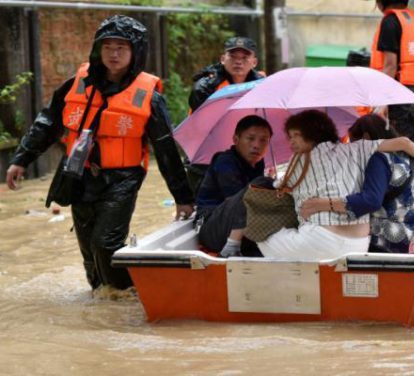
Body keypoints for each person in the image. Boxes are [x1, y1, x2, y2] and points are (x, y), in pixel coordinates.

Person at [5, 15, 194, 290]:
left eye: (121, 48)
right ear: (98, 49)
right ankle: (102, 302)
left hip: (123, 178)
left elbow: (165, 149)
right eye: (108, 47)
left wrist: (183, 197)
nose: (113, 54)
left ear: (135, 52)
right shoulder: (78, 83)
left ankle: (125, 294)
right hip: (79, 174)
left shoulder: (149, 97)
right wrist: (21, 158)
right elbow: (48, 122)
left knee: (104, 243)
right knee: (89, 253)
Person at [257, 110, 414, 261]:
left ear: (310, 133)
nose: (291, 142)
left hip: (320, 241)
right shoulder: (357, 150)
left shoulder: (298, 160)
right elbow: (405, 142)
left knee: (261, 235)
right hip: (360, 244)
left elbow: (280, 186)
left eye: (295, 135)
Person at [300, 114, 414, 254]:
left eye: (353, 141)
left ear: (366, 138)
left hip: (389, 246)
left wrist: (320, 204)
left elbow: (370, 200)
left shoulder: (380, 159)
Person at [186, 36, 264, 194]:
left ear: (254, 62)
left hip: (245, 148)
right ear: (223, 59)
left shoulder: (263, 84)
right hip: (208, 150)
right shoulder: (205, 86)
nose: (238, 62)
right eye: (233, 57)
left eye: (244, 57)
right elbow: (200, 125)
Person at [195, 115, 272, 256]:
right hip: (212, 228)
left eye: (263, 140)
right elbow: (240, 200)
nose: (257, 145)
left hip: (238, 226)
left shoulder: (258, 162)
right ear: (236, 140)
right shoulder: (225, 161)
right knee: (264, 184)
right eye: (250, 138)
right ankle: (231, 248)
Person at [370, 0, 414, 154]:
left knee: (401, 145)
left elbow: (390, 65)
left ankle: (406, 177)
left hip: (400, 95)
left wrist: (381, 101)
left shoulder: (391, 22)